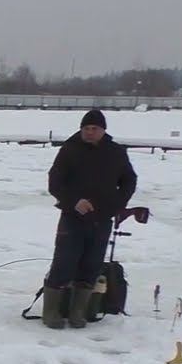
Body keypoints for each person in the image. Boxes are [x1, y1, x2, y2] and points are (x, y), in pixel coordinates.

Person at [43, 109, 138, 329]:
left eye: (94, 128)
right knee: (64, 263)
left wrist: (116, 205)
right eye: (86, 128)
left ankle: (78, 312)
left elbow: (129, 181)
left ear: (103, 130)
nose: (90, 132)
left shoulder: (115, 152)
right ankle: (51, 312)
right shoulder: (70, 149)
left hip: (102, 219)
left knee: (92, 265)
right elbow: (55, 182)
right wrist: (74, 202)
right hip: (73, 217)